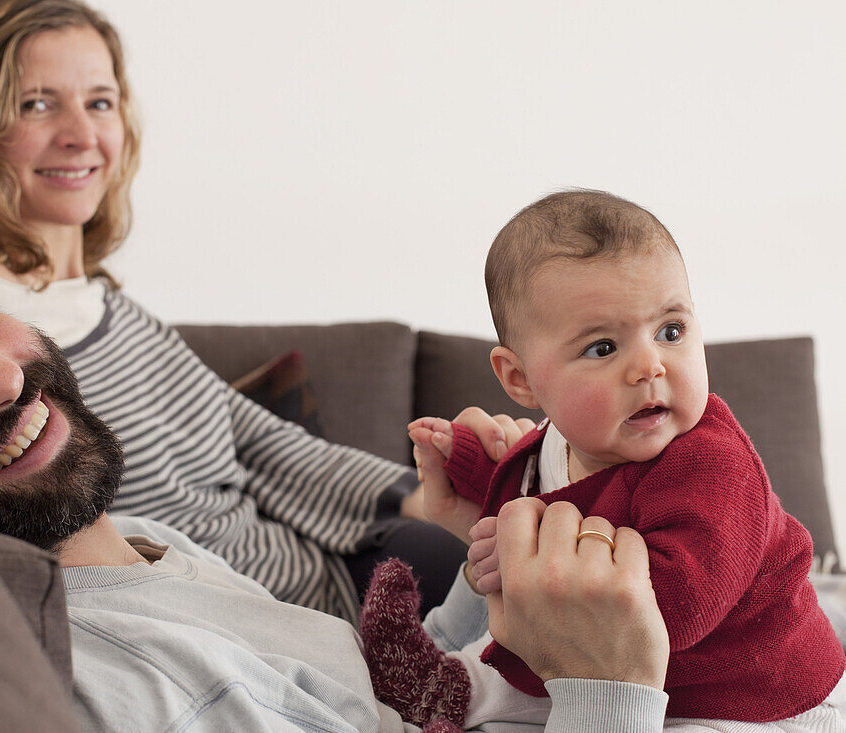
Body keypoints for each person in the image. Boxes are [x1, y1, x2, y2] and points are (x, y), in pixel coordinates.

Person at [0, 230, 673, 731]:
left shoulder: (140, 540)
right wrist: (610, 693)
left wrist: (485, 552)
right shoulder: (131, 690)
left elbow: (382, 703)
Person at [0, 0, 462, 623]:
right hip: (258, 615)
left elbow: (255, 438)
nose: (81, 134)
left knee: (487, 542)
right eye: (35, 104)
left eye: (99, 102)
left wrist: (424, 497)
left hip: (335, 569)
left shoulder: (98, 299)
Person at [362, 190, 845, 729]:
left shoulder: (714, 467)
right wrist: (470, 463)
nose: (649, 366)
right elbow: (523, 487)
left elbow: (677, 608)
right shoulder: (559, 439)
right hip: (623, 672)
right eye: (603, 348)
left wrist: (527, 563)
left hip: (754, 692)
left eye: (671, 332)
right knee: (502, 680)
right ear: (520, 379)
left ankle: (447, 690)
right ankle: (435, 683)